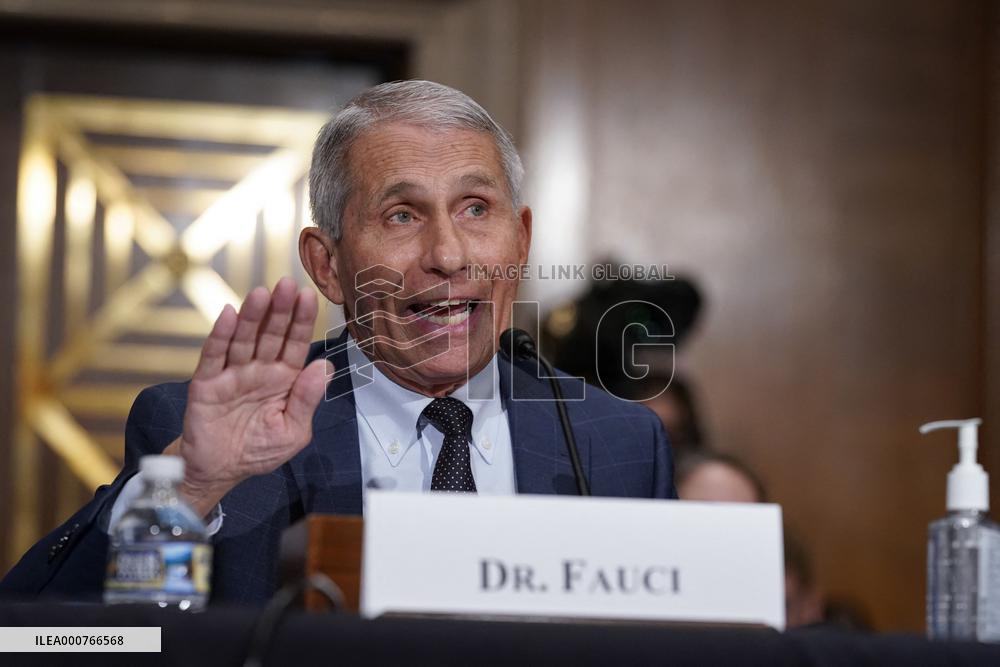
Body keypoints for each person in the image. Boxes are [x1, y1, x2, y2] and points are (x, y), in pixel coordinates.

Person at [1, 80, 676, 604]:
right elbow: (64, 642)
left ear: (521, 241)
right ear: (327, 264)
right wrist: (190, 490)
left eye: (476, 209)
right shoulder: (200, 440)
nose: (447, 253)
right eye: (402, 214)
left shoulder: (617, 446)